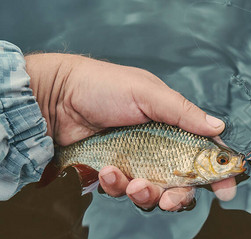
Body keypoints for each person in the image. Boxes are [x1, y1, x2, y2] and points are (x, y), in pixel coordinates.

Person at [0, 40, 236, 211]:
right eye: (222, 160)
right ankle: (63, 158)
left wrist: (56, 88)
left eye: (223, 160)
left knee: (123, 183)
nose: (227, 163)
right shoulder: (191, 168)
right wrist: (55, 89)